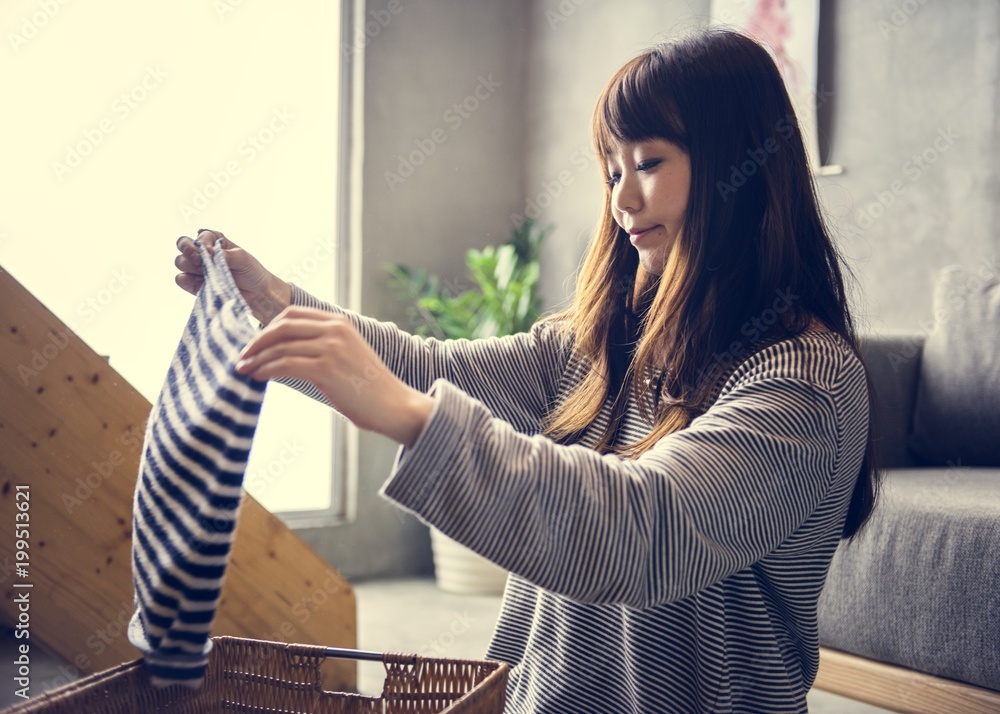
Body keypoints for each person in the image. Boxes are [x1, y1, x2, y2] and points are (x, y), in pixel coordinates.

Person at [174, 28, 878, 714]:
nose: (622, 200)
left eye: (651, 163)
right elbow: (433, 368)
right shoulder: (601, 341)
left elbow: (648, 529)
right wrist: (273, 303)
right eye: (612, 169)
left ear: (740, 169)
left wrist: (410, 417)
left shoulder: (803, 381)